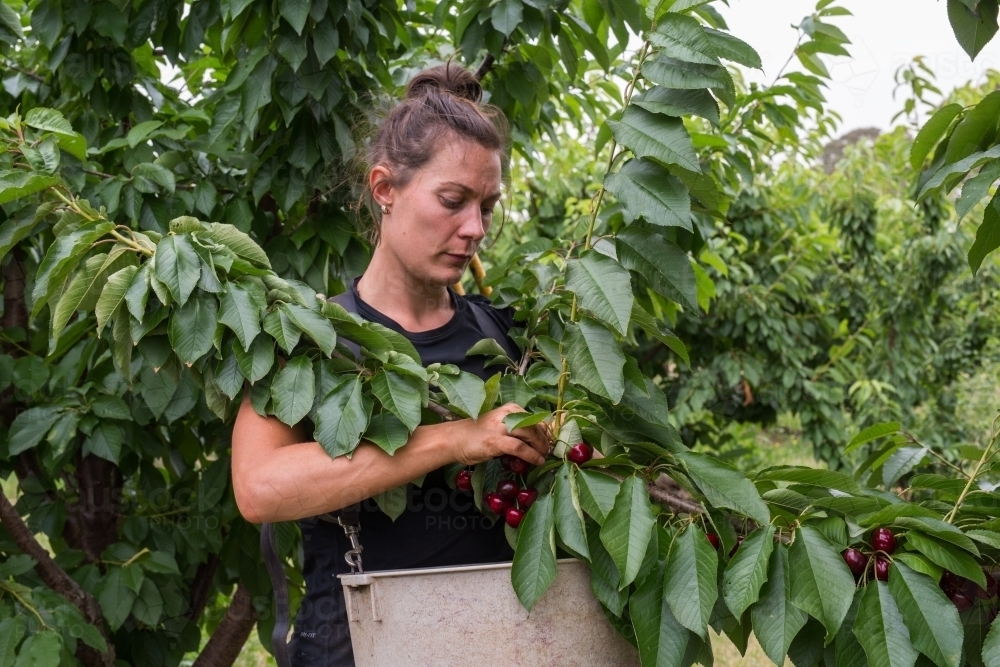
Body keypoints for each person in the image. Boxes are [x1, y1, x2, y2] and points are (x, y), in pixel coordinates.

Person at [231, 64, 552, 667]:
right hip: (354, 650)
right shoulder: (312, 340)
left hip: (494, 648)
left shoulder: (507, 340)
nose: (474, 229)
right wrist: (455, 439)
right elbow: (259, 487)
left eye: (487, 206)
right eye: (453, 201)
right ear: (385, 188)